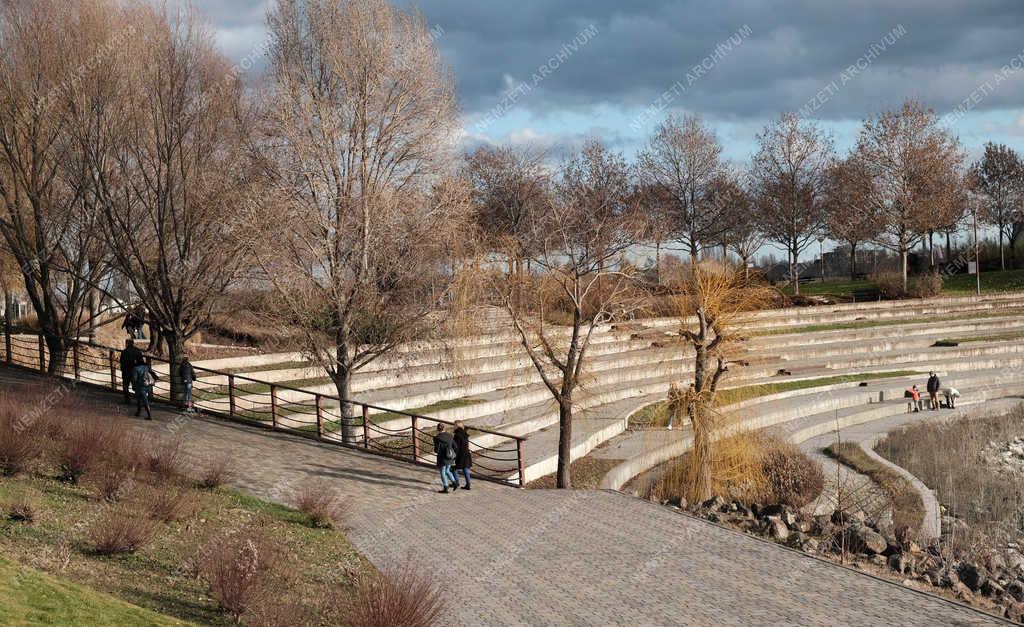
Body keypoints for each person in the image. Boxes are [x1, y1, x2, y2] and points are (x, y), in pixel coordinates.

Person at [432, 424, 457, 493]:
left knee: (443, 471)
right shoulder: (450, 435)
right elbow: (455, 446)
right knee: (447, 470)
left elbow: (436, 450)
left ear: (437, 429)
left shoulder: (436, 438)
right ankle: (454, 483)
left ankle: (445, 487)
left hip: (442, 457)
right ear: (444, 428)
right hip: (449, 455)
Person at [119, 339, 143, 404]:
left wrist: (122, 369)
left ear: (127, 344)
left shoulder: (124, 352)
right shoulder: (137, 351)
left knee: (125, 386)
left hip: (126, 371)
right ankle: (139, 400)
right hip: (135, 371)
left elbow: (121, 361)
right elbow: (141, 362)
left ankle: (127, 400)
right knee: (136, 386)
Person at [452, 420, 472, 490]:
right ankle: (468, 484)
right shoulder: (465, 434)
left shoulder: (457, 435)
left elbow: (456, 447)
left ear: (457, 426)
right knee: (465, 469)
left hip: (459, 455)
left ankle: (456, 482)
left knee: (453, 468)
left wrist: (454, 457)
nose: (453, 426)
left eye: (454, 425)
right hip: (466, 453)